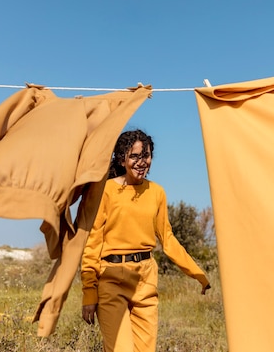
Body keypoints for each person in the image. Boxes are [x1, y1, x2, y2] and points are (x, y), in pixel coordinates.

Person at [81, 129, 211, 352]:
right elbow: (92, 243)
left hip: (145, 280)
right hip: (111, 278)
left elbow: (168, 239)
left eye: (146, 155)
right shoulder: (106, 190)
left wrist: (198, 274)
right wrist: (89, 293)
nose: (142, 162)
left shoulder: (157, 192)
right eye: (134, 156)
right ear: (122, 159)